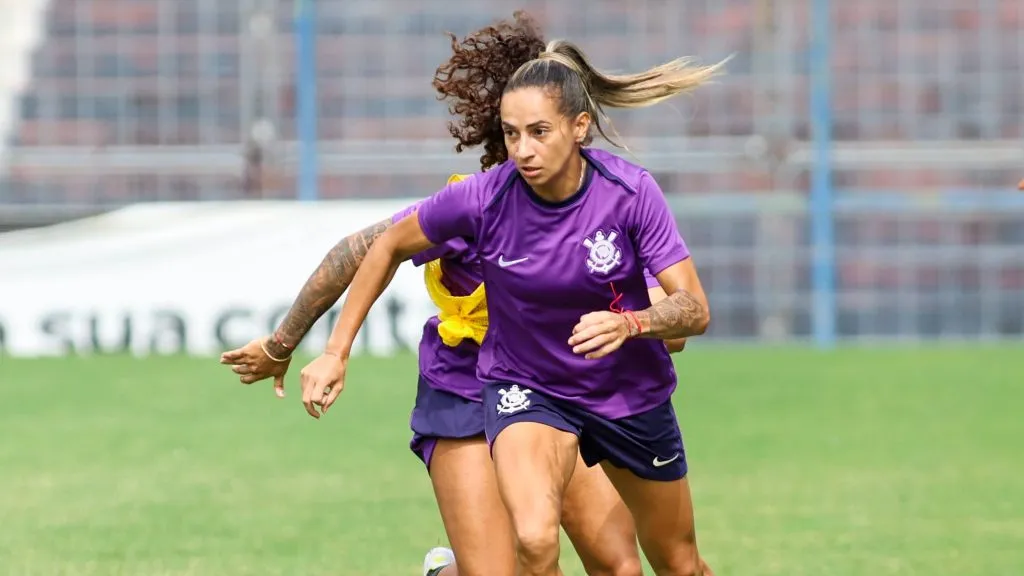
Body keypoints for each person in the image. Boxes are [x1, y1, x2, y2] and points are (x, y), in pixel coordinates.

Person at [221, 12, 695, 576]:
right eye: (514, 130)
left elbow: (671, 312)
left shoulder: (608, 201)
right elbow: (359, 251)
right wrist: (289, 345)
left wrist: (640, 325)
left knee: (620, 565)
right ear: (499, 126)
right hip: (470, 388)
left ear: (575, 125)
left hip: (564, 389)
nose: (524, 146)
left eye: (538, 128)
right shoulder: (471, 204)